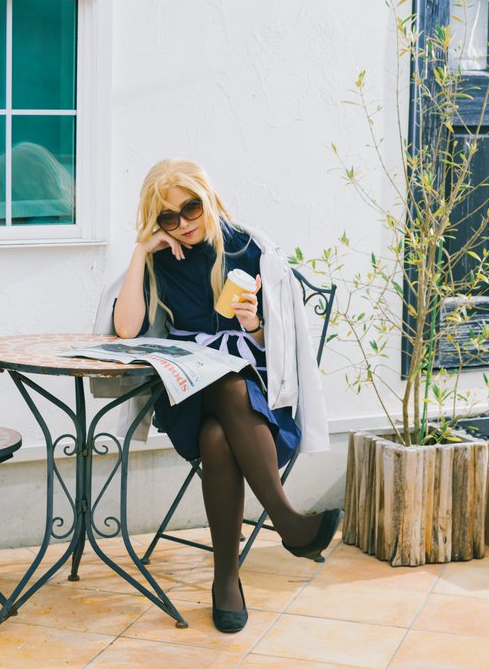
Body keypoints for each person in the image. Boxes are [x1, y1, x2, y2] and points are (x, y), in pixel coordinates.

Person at [106, 158, 341, 634]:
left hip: (255, 403)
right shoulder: (160, 260)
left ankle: (226, 582)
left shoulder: (247, 249)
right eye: (168, 216)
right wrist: (140, 251)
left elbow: (279, 347)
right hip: (187, 393)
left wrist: (253, 323)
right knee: (222, 382)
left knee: (219, 432)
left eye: (191, 208)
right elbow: (126, 329)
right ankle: (287, 521)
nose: (184, 223)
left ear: (208, 199)